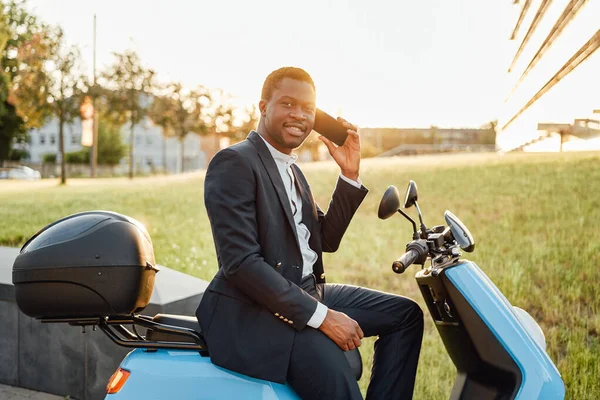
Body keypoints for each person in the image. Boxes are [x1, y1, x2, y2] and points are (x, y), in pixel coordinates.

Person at [196, 67, 423, 399]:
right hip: (258, 310)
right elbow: (241, 264)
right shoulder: (234, 162)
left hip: (306, 291)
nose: (299, 116)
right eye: (288, 104)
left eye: (307, 109)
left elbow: (325, 239)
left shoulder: (293, 171)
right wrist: (324, 318)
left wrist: (349, 173)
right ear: (263, 107)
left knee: (405, 315)